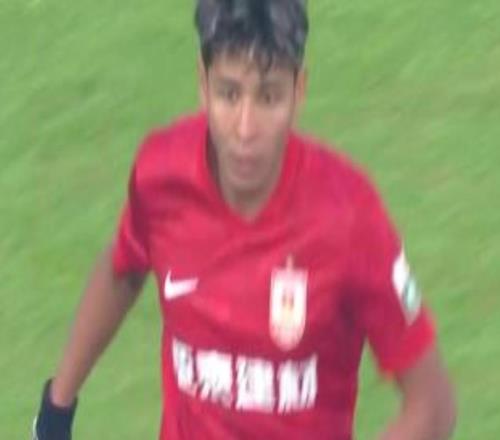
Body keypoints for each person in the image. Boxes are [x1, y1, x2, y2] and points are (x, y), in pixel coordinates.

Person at [33, 0, 456, 439]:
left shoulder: (349, 216)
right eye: (229, 94)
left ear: (299, 91)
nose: (245, 129)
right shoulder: (162, 175)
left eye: (268, 96)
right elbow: (124, 266)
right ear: (203, 86)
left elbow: (432, 406)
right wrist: (56, 408)